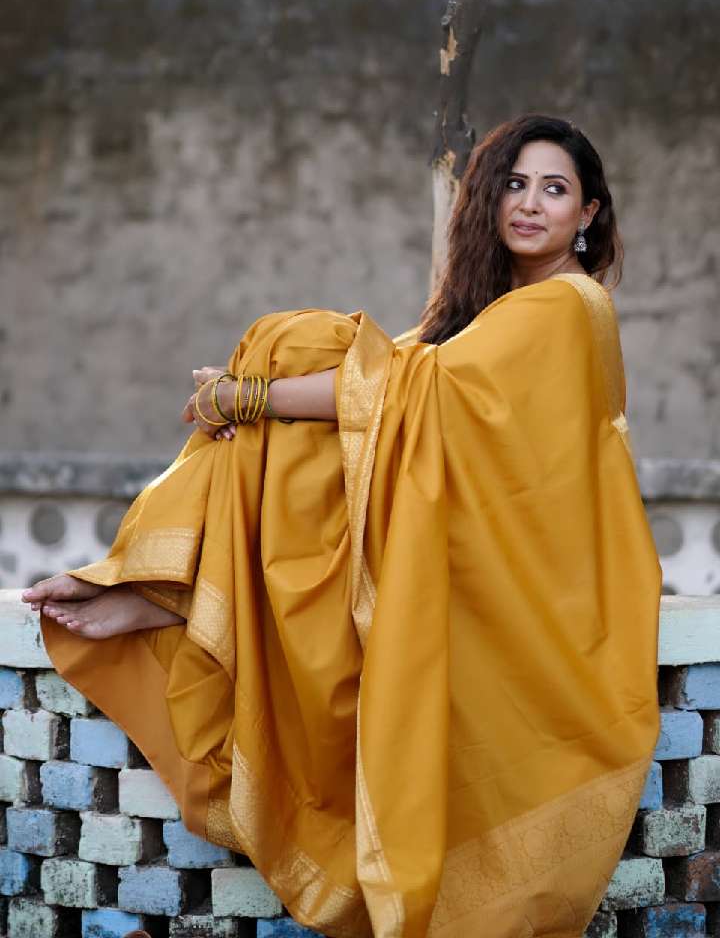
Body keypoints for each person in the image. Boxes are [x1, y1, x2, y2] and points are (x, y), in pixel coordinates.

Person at [24, 115, 661, 938]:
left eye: (555, 189)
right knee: (293, 385)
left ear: (589, 214)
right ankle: (163, 586)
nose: (531, 204)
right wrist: (254, 399)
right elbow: (389, 388)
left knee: (290, 359)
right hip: (475, 554)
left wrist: (246, 396)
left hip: (539, 592)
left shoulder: (568, 304)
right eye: (514, 183)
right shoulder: (491, 310)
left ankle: (163, 584)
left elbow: (407, 394)